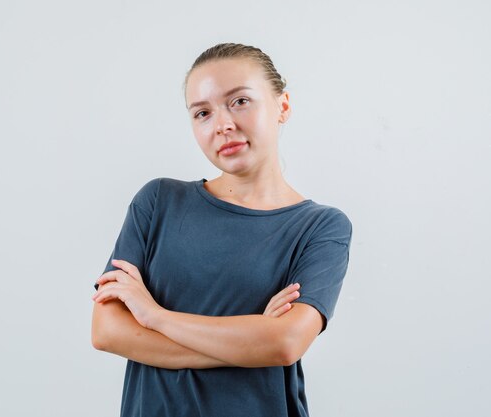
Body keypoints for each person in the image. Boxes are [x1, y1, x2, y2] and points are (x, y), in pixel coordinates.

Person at [91, 42, 353, 417]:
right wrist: (249, 342)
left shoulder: (321, 227)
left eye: (240, 101)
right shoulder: (158, 202)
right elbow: (106, 331)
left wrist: (154, 317)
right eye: (202, 113)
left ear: (283, 106)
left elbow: (285, 342)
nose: (222, 125)